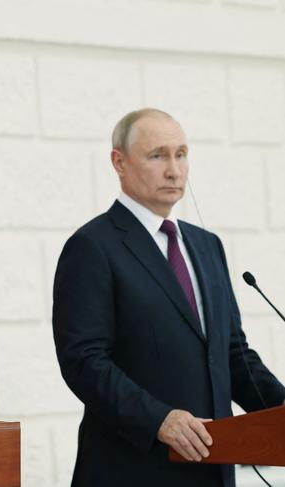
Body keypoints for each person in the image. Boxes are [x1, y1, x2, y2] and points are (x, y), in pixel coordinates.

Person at [52, 108, 285, 487]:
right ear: (119, 162)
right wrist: (159, 419)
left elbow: (232, 354)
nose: (174, 170)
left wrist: (279, 409)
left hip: (214, 467)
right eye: (157, 155)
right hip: (133, 469)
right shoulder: (92, 247)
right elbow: (84, 362)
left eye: (181, 154)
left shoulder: (207, 246)